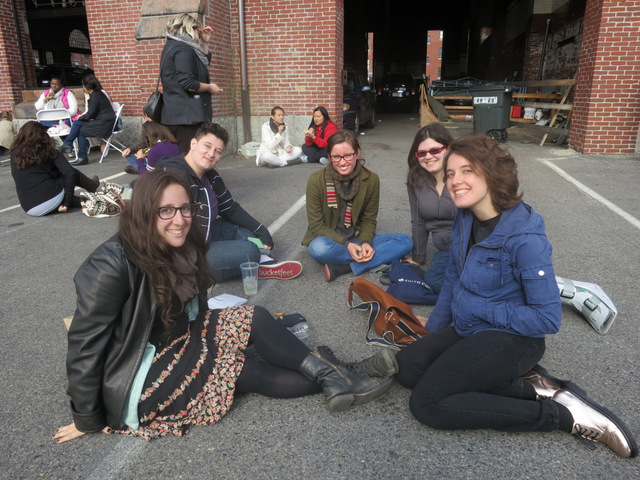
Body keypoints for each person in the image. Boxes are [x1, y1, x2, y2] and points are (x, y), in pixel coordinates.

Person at [53, 170, 397, 443]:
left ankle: (336, 374)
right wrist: (86, 418)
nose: (179, 219)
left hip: (176, 335)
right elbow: (84, 344)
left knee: (255, 317)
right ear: (144, 212)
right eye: (166, 210)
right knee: (237, 369)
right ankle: (353, 374)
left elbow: (195, 307)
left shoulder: (181, 243)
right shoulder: (110, 265)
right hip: (138, 369)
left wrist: (214, 336)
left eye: (185, 208)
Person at [394, 134, 638, 458]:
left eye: (467, 171)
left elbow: (547, 319)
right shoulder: (464, 218)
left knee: (428, 403)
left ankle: (563, 415)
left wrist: (479, 308)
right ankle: (531, 387)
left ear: (492, 173)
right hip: (470, 328)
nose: (455, 181)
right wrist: (434, 334)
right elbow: (452, 278)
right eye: (450, 173)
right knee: (407, 367)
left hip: (515, 337)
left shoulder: (525, 238)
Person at [158, 122, 302, 282]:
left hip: (206, 234)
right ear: (193, 144)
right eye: (207, 146)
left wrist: (261, 230)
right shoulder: (175, 177)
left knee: (242, 231)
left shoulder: (211, 176)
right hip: (185, 251)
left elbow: (230, 208)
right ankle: (257, 260)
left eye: (218, 151)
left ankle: (257, 260)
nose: (211, 154)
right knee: (249, 249)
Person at [302, 129, 413, 282]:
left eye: (348, 155)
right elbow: (316, 225)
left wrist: (366, 242)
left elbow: (368, 219)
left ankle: (346, 267)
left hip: (356, 237)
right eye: (336, 157)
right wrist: (347, 245)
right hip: (330, 240)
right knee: (318, 248)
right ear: (329, 156)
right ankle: (373, 259)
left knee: (405, 241)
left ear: (357, 153)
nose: (342, 162)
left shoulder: (371, 179)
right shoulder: (316, 180)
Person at [403, 123, 456, 304]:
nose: (428, 157)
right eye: (422, 153)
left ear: (448, 149)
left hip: (471, 245)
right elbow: (417, 221)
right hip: (446, 250)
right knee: (433, 280)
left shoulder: (463, 176)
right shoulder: (416, 180)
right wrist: (418, 257)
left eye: (435, 150)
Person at [160, 13, 223, 152]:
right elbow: (187, 83)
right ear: (189, 29)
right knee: (188, 155)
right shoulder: (182, 49)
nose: (200, 35)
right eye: (199, 32)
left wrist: (205, 43)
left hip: (181, 114)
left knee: (188, 154)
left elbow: (202, 66)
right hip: (186, 116)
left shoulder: (175, 45)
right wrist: (210, 87)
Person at [9, 121, 100, 216]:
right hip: (51, 198)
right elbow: (70, 173)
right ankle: (91, 186)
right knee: (72, 172)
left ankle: (77, 200)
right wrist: (67, 202)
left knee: (55, 184)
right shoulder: (50, 151)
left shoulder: (14, 153)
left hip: (29, 208)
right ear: (43, 136)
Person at [59, 75, 116, 166]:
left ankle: (72, 148)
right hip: (104, 122)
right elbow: (92, 114)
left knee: (80, 129)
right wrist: (82, 118)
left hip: (104, 125)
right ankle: (72, 148)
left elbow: (91, 114)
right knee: (78, 125)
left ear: (86, 87)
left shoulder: (95, 96)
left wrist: (80, 117)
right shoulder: (98, 94)